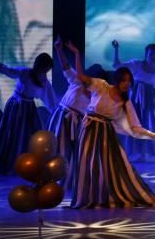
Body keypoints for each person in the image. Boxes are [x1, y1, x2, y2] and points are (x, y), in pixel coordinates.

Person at [64, 41, 155, 208]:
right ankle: (89, 198)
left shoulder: (125, 102)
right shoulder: (102, 86)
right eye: (123, 80)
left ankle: (109, 196)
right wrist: (77, 53)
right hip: (88, 130)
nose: (126, 84)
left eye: (129, 81)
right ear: (117, 80)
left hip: (105, 135)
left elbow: (135, 128)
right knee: (87, 164)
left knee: (113, 167)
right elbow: (81, 77)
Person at [0, 48, 57, 175]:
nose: (45, 72)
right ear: (39, 65)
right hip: (16, 107)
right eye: (45, 69)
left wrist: (57, 114)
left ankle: (28, 165)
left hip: (29, 109)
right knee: (12, 134)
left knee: (29, 136)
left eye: (47, 70)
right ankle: (11, 165)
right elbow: (7, 70)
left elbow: (51, 100)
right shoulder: (24, 72)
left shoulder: (44, 82)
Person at [48, 38, 102, 195]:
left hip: (77, 123)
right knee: (56, 148)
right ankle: (50, 178)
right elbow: (65, 67)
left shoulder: (96, 96)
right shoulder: (77, 81)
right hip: (62, 117)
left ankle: (67, 181)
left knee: (72, 153)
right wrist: (59, 49)